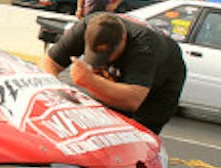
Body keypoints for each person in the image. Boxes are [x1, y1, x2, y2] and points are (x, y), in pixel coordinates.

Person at [40, 12, 186, 135]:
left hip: (160, 87)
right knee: (96, 123)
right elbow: (49, 62)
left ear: (123, 40)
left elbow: (132, 100)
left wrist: (90, 81)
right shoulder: (89, 25)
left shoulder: (144, 46)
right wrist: (54, 91)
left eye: (109, 55)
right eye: (94, 55)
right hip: (126, 78)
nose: (103, 61)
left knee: (134, 136)